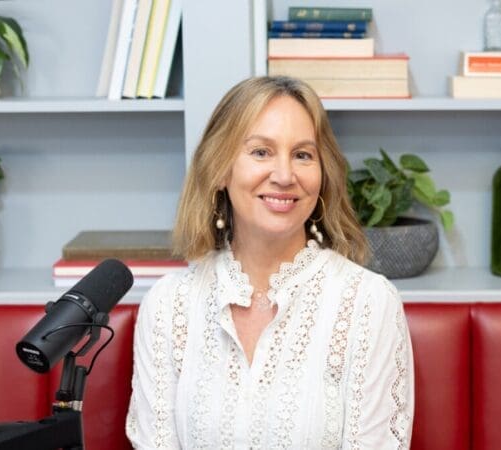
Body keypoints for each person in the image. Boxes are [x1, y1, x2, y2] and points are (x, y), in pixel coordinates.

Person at [125, 76, 414, 449]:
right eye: (261, 152)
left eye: (303, 155)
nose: (284, 176)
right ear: (221, 169)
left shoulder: (368, 303)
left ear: (322, 175)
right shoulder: (167, 306)